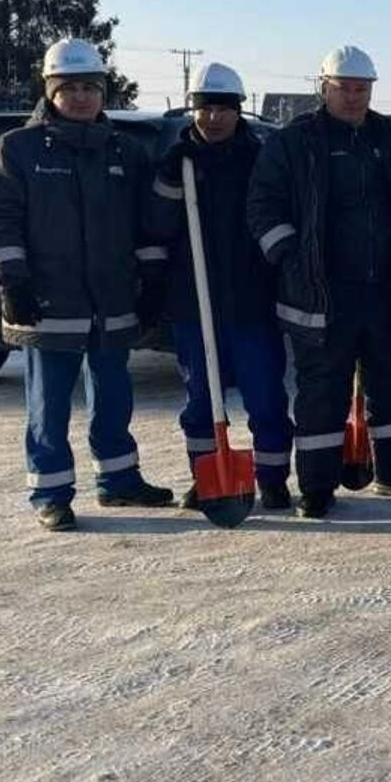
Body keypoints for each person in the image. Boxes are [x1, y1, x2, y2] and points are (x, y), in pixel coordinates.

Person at [0, 37, 172, 530]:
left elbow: (147, 224)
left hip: (112, 300)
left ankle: (119, 481)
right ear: (50, 90)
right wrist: (11, 281)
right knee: (49, 404)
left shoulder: (126, 151)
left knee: (114, 397)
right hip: (48, 300)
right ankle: (51, 493)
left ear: (103, 91)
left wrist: (151, 279)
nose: (81, 97)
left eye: (90, 87)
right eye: (69, 88)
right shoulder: (17, 150)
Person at [246, 45, 391, 517]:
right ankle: (317, 487)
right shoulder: (295, 142)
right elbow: (262, 204)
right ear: (323, 87)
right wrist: (292, 256)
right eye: (343, 88)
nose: (352, 97)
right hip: (321, 294)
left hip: (387, 290)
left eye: (361, 89)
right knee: (322, 392)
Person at [147, 62, 293, 511]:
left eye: (223, 109)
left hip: (251, 301)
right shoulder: (176, 162)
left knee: (265, 395)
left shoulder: (260, 158)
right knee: (201, 400)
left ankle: (272, 478)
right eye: (204, 108)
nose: (213, 118)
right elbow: (156, 227)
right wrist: (170, 182)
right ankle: (208, 477)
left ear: (238, 110)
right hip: (195, 301)